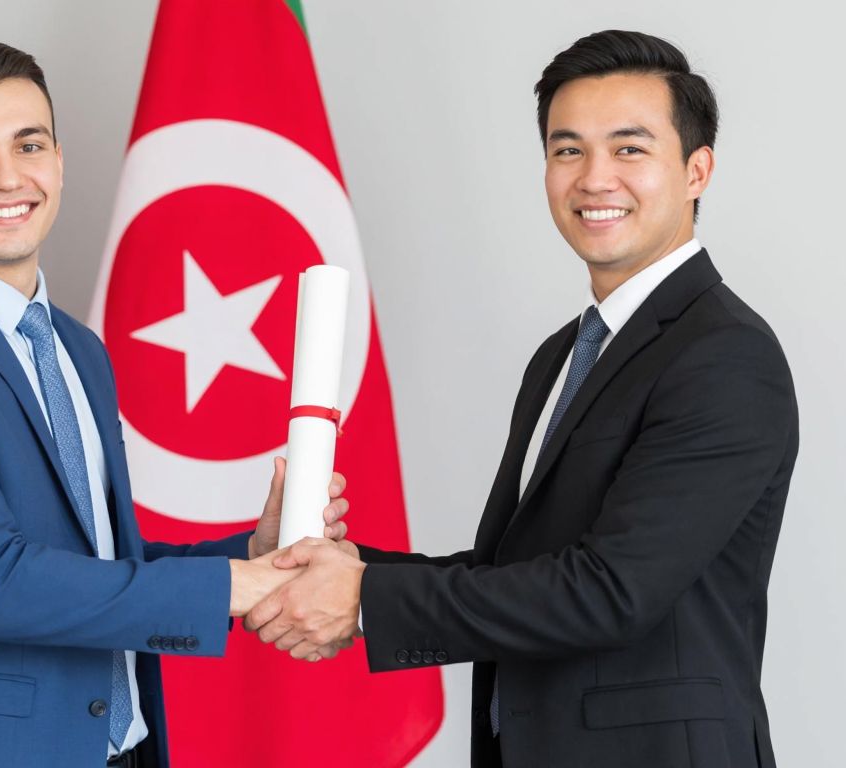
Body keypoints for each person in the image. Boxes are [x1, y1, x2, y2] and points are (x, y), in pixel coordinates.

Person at [247, 29, 798, 768]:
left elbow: (612, 591)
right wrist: (330, 562)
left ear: (697, 170)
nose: (594, 177)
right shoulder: (564, 354)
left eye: (629, 149)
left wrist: (364, 597)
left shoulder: (724, 354)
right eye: (568, 149)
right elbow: (516, 571)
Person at [0, 41, 348, 768]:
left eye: (28, 144)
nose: (8, 176)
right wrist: (238, 588)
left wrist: (251, 550)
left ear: (59, 160)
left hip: (120, 748)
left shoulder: (77, 348)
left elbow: (97, 561)